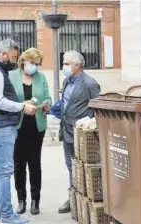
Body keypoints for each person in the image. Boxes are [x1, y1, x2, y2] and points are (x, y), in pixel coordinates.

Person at [0, 39, 35, 224]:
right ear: (3, 54)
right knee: (4, 173)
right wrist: (21, 106)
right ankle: (7, 216)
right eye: (12, 56)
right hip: (2, 127)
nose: (14, 60)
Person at [9, 48, 51, 215]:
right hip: (17, 126)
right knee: (18, 164)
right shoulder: (11, 77)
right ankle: (21, 200)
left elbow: (47, 97)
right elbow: (8, 100)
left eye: (38, 64)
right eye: (32, 63)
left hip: (36, 126)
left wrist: (46, 104)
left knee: (35, 164)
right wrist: (22, 106)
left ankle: (35, 200)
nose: (35, 67)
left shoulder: (41, 78)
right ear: (24, 61)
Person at [58, 50, 101, 213]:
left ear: (77, 66)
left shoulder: (89, 83)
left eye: (67, 63)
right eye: (64, 63)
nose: (64, 66)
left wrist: (89, 123)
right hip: (67, 131)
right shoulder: (66, 81)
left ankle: (87, 198)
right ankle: (73, 198)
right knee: (71, 166)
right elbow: (66, 103)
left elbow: (97, 109)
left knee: (83, 167)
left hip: (82, 134)